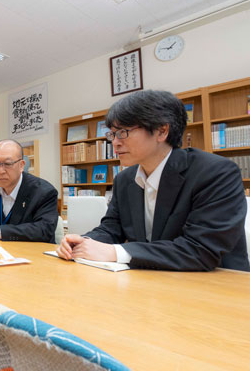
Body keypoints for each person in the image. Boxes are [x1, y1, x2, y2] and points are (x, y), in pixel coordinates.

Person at [57, 90, 250, 271]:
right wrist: (83, 242)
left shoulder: (215, 173)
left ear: (161, 131)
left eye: (123, 131)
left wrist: (115, 252)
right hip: (153, 279)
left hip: (217, 285)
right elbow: (111, 229)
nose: (115, 142)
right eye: (112, 134)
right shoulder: (125, 179)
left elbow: (200, 250)